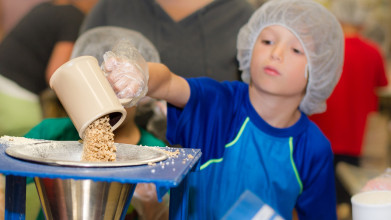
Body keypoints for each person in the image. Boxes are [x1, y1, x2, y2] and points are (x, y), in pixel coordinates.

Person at [101, 0, 345, 219]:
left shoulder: (313, 148)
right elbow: (168, 83)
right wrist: (139, 72)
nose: (276, 53)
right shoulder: (219, 104)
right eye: (267, 41)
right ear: (250, 45)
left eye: (295, 50)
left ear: (318, 69)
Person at [23, 27, 169, 220]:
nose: (105, 98)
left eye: (118, 88)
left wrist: (150, 204)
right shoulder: (50, 133)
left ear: (139, 92)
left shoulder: (154, 152)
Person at [309, 0, 389, 212]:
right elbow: (382, 84)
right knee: (347, 196)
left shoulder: (323, 49)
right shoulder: (373, 52)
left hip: (320, 131)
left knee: (317, 192)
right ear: (363, 21)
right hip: (355, 136)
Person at [79, 0, 255, 82]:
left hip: (213, 149)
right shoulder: (112, 7)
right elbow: (78, 76)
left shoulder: (240, 14)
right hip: (121, 148)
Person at [0, 0, 98, 137]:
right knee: (27, 145)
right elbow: (56, 73)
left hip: (3, 88)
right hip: (16, 98)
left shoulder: (45, 7)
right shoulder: (74, 17)